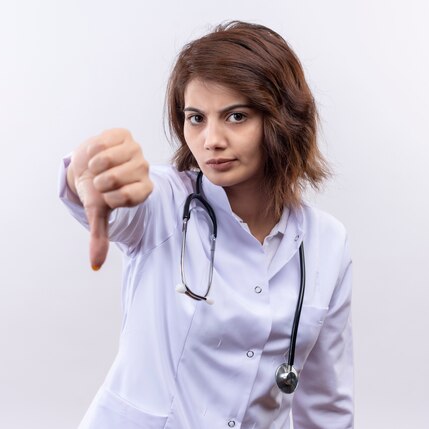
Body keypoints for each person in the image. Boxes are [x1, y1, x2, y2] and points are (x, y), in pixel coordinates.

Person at [59, 21, 353, 429]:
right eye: (196, 118)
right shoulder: (162, 203)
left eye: (236, 116)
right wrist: (90, 172)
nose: (210, 140)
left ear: (284, 119)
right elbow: (110, 194)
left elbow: (326, 404)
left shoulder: (328, 242)